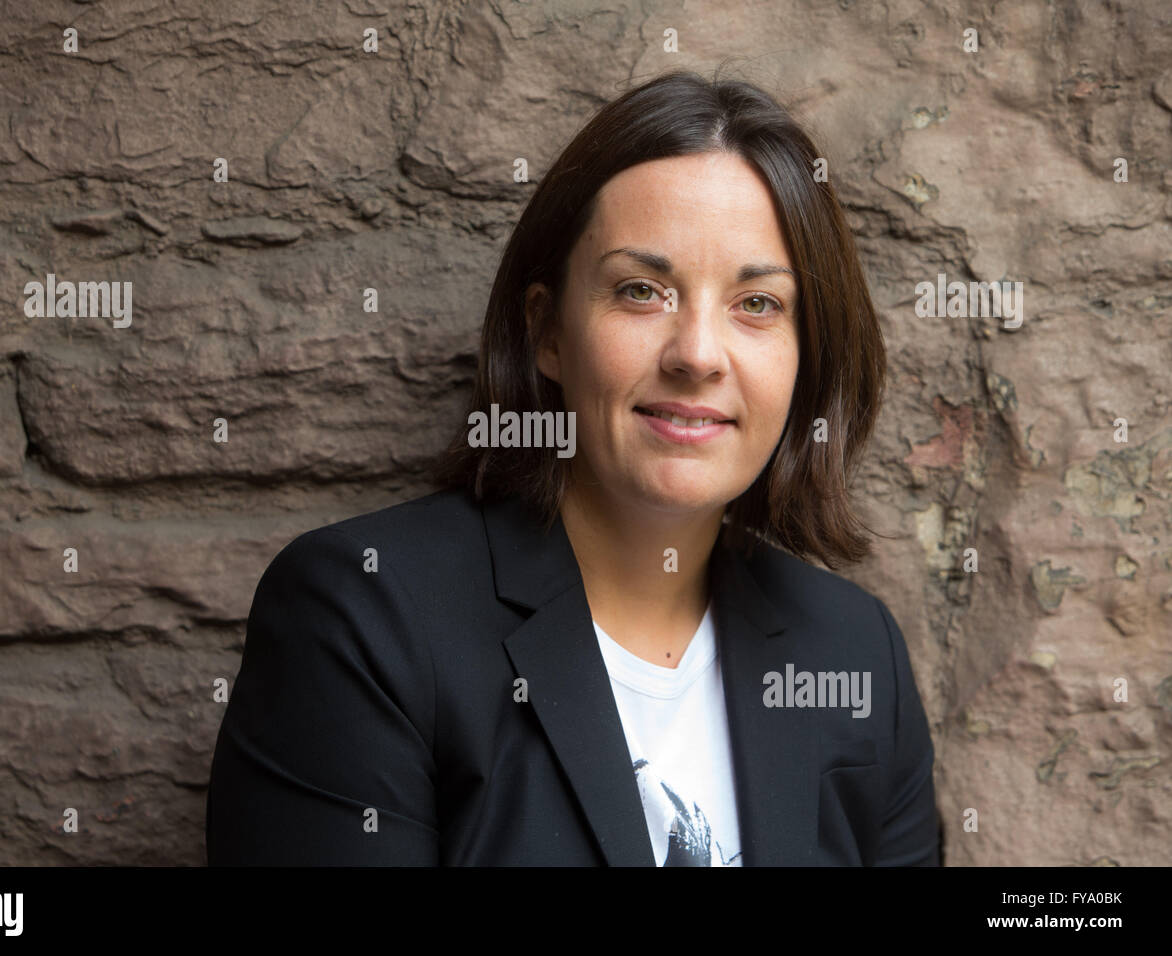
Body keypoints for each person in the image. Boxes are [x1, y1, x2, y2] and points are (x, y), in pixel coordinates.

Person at [205, 68, 941, 866]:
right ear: (547, 332)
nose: (696, 354)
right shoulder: (365, 619)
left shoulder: (852, 652)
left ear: (809, 353)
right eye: (641, 290)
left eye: (757, 304)